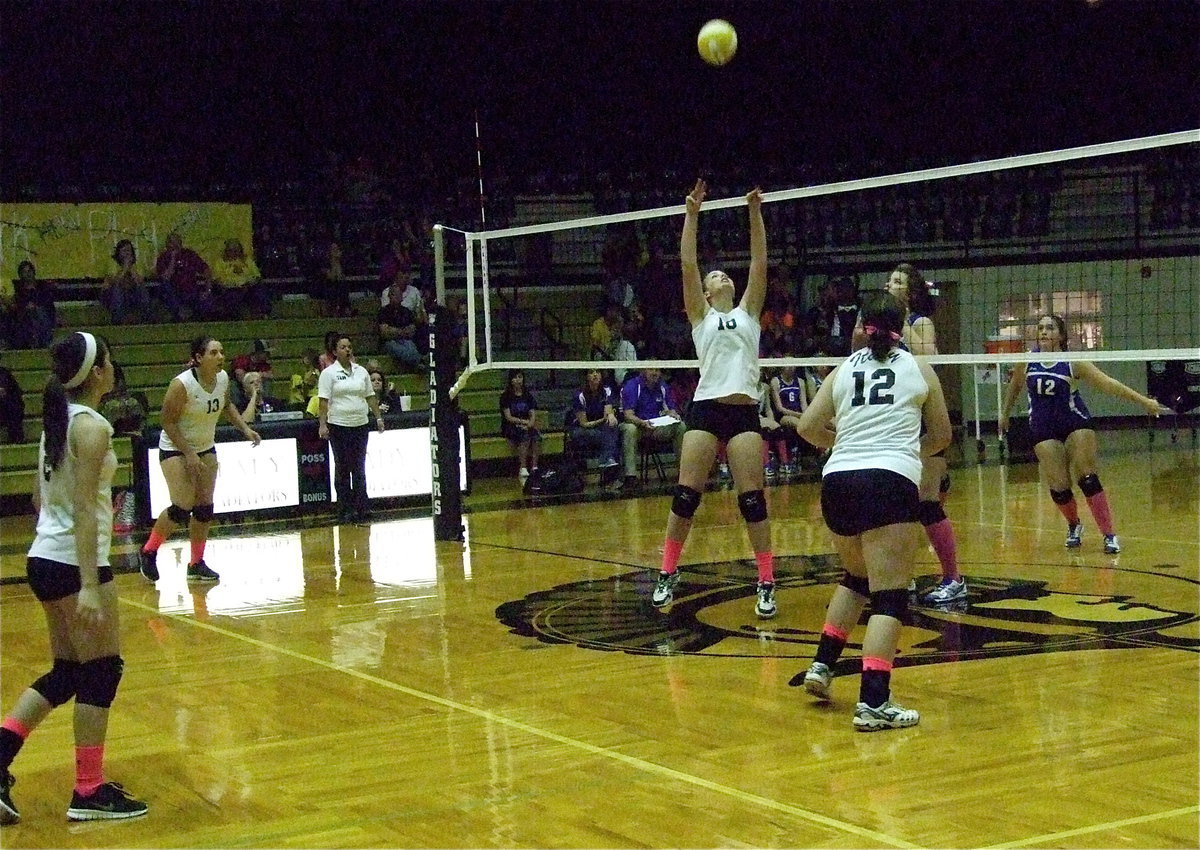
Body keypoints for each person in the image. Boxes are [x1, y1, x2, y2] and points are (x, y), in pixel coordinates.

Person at [0, 331, 149, 823]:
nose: (113, 366)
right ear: (98, 370)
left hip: (45, 556)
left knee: (67, 672)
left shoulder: (58, 421)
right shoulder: (92, 427)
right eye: (108, 359)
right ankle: (88, 790)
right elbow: (85, 509)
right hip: (72, 563)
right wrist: (88, 583)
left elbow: (41, 500)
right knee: (102, 671)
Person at [797, 291, 952, 731]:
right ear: (902, 326)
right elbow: (941, 435)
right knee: (889, 597)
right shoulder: (919, 369)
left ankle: (822, 666)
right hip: (887, 481)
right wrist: (903, 450)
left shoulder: (843, 369)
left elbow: (807, 427)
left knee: (856, 579)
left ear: (862, 325)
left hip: (838, 482)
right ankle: (873, 702)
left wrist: (846, 445)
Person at [650, 180, 778, 619]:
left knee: (752, 500)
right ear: (705, 292)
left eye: (725, 273)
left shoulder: (748, 313)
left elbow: (760, 261)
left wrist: (754, 212)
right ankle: (667, 572)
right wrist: (691, 214)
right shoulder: (700, 317)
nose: (721, 275)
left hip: (743, 410)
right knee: (686, 496)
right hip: (705, 408)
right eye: (714, 276)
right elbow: (688, 263)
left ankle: (766, 581)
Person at [999, 314, 1166, 554]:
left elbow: (1108, 384)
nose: (1044, 332)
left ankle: (1109, 535)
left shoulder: (1072, 361)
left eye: (1050, 328)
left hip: (1074, 422)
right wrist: (1004, 414)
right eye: (1041, 328)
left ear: (1061, 335)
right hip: (1043, 427)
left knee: (1087, 476)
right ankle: (1074, 525)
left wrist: (1144, 402)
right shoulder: (1026, 361)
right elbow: (1014, 386)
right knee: (1059, 487)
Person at [859, 263, 964, 604]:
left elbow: (930, 357)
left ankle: (953, 579)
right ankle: (899, 577)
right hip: (887, 420)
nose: (891, 283)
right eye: (889, 278)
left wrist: (901, 322)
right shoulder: (876, 323)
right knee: (895, 507)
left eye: (899, 281)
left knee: (927, 503)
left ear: (912, 291)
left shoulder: (919, 322)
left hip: (919, 414)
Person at [137, 336, 262, 584]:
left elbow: (226, 406)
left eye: (221, 352)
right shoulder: (181, 385)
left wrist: (245, 430)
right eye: (213, 353)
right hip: (175, 448)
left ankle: (196, 563)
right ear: (198, 358)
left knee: (204, 507)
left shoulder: (223, 378)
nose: (220, 357)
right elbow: (168, 422)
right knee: (181, 506)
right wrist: (189, 454)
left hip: (206, 447)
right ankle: (148, 551)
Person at [318, 334, 385, 523]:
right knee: (342, 467)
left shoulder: (361, 371)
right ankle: (345, 509)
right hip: (339, 425)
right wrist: (323, 424)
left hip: (360, 425)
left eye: (349, 346)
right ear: (334, 352)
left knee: (359, 468)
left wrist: (378, 417)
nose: (347, 350)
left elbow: (370, 396)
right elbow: (323, 400)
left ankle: (363, 508)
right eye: (342, 347)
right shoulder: (328, 374)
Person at [618, 367, 685, 491]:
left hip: (655, 426)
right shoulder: (632, 386)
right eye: (651, 369)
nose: (655, 373)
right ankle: (631, 477)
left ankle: (684, 474)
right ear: (643, 370)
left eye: (657, 370)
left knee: (680, 426)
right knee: (629, 429)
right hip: (637, 426)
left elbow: (670, 408)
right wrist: (642, 423)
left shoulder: (663, 387)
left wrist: (672, 414)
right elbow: (628, 415)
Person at [568, 368, 621, 487]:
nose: (595, 375)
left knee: (613, 428)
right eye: (591, 372)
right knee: (607, 436)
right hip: (581, 430)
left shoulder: (606, 390)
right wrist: (604, 419)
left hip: (600, 428)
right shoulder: (579, 395)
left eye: (598, 372)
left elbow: (607, 413)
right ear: (586, 376)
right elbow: (584, 423)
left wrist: (611, 416)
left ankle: (609, 470)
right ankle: (608, 467)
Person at [154, 232, 213, 322]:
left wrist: (207, 290)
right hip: (173, 292)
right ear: (167, 244)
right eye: (171, 242)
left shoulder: (189, 255)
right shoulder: (163, 258)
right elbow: (166, 277)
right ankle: (180, 312)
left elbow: (206, 270)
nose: (174, 245)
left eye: (177, 242)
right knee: (165, 287)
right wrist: (173, 258)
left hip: (191, 291)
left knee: (207, 300)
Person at [499, 369, 541, 484]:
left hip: (526, 424)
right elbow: (508, 417)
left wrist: (530, 424)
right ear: (511, 380)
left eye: (520, 377)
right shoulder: (505, 396)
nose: (518, 380)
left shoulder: (528, 395)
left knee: (536, 436)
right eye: (515, 377)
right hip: (510, 425)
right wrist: (523, 422)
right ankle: (523, 467)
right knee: (525, 436)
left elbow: (532, 413)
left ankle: (534, 467)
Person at [212, 238, 270, 319]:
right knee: (232, 296)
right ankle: (234, 316)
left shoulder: (247, 261)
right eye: (231, 250)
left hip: (249, 286)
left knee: (259, 291)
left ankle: (262, 313)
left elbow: (257, 276)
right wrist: (234, 285)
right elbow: (217, 279)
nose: (234, 253)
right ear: (227, 251)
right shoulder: (220, 263)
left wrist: (248, 284)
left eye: (236, 250)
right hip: (230, 288)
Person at [100, 240, 152, 325]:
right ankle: (118, 319)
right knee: (117, 289)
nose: (127, 253)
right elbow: (115, 281)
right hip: (112, 294)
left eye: (129, 251)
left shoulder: (137, 264)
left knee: (142, 289)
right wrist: (125, 268)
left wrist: (131, 268)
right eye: (124, 251)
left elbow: (139, 281)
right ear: (119, 252)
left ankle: (146, 317)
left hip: (131, 293)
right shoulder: (112, 263)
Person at [770, 362, 807, 477]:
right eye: (788, 364)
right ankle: (792, 453)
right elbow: (780, 408)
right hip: (784, 415)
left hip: (799, 414)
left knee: (815, 422)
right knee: (797, 423)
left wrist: (807, 415)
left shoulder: (800, 381)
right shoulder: (776, 381)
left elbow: (803, 403)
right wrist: (799, 415)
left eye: (793, 364)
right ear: (782, 366)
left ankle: (824, 452)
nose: (791, 367)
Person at [378, 281, 423, 372]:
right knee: (394, 346)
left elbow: (412, 330)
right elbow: (384, 332)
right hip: (388, 342)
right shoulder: (383, 312)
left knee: (410, 345)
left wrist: (394, 331)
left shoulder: (406, 311)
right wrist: (402, 332)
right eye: (395, 294)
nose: (398, 297)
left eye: (399, 295)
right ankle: (417, 362)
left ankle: (416, 362)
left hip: (405, 340)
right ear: (389, 296)